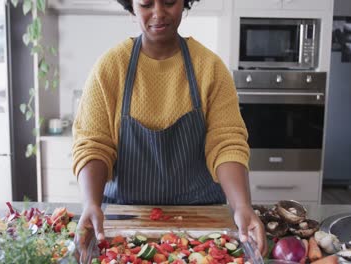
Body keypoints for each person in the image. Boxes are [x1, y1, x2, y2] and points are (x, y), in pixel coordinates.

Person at [72, 0, 267, 255]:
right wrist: (91, 203)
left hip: (202, 218)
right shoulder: (110, 67)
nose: (158, 13)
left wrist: (242, 206)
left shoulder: (210, 68)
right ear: (131, 5)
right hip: (125, 219)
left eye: (169, 2)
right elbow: (93, 143)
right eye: (145, 4)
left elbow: (226, 142)